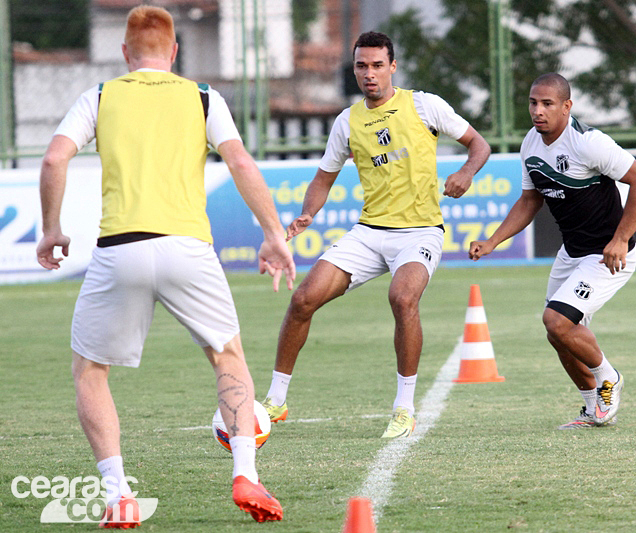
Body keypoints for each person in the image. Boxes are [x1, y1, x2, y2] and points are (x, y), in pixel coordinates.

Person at [35, 6, 295, 527]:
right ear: (175, 52)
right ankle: (246, 472)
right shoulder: (202, 97)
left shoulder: (101, 96)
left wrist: (52, 228)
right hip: (188, 248)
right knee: (228, 358)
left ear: (126, 53)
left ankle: (117, 494)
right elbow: (241, 161)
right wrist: (272, 233)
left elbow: (53, 159)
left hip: (120, 249)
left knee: (90, 370)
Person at [262, 31, 490, 438]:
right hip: (369, 233)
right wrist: (307, 214)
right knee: (302, 299)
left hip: (419, 232)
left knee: (402, 298)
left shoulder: (424, 104)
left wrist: (465, 173)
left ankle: (404, 408)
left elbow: (479, 145)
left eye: (377, 65)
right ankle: (276, 401)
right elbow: (323, 178)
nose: (369, 74)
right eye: (361, 66)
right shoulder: (347, 121)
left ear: (393, 67)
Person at [469, 73, 636, 430]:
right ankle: (591, 407)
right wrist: (493, 241)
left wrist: (619, 239)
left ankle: (609, 378)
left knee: (557, 320)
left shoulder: (589, 143)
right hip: (572, 253)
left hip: (606, 256)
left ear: (567, 106)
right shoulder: (531, 144)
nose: (538, 111)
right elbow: (530, 199)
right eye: (533, 103)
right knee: (557, 334)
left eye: (547, 104)